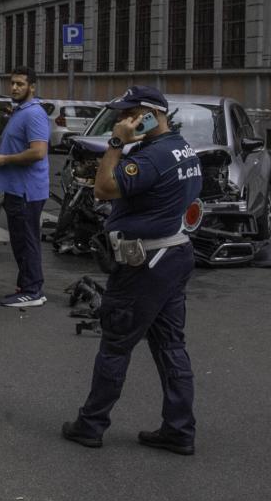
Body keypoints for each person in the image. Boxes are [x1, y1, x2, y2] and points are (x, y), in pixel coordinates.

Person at [62, 86, 203, 455]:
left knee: (115, 343)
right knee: (171, 345)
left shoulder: (152, 156)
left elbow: (103, 188)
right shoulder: (182, 148)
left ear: (148, 115)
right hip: (173, 253)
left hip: (145, 264)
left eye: (128, 114)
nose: (121, 120)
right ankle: (179, 429)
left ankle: (90, 424)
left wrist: (115, 143)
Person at [0, 67, 50, 308]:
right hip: (18, 189)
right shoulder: (20, 111)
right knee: (20, 240)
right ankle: (26, 283)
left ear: (32, 87)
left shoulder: (33, 114)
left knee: (27, 241)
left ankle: (33, 290)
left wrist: (5, 159)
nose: (14, 87)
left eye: (20, 84)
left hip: (27, 191)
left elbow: (38, 152)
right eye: (12, 83)